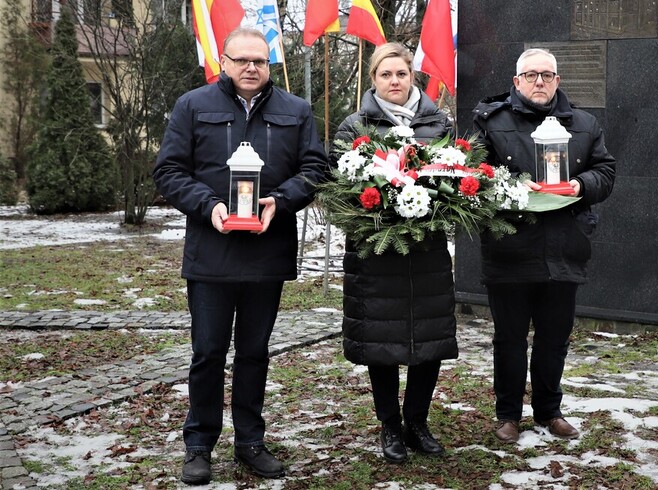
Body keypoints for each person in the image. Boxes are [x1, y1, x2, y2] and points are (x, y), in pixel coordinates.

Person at [153, 27, 327, 485]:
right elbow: (169, 170)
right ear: (224, 62)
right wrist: (207, 205)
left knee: (254, 353)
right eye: (242, 60)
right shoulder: (193, 105)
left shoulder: (296, 110)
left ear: (268, 66)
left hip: (266, 252)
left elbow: (315, 168)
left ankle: (250, 441)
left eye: (260, 61)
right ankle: (198, 444)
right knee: (208, 352)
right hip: (212, 252)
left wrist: (282, 200)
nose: (252, 68)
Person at [472, 47, 616, 444]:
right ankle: (508, 415)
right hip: (510, 247)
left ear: (558, 81)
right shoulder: (489, 122)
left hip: (564, 246)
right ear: (516, 81)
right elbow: (473, 173)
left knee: (555, 338)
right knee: (510, 339)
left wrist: (580, 185)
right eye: (531, 75)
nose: (540, 81)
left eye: (548, 75)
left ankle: (549, 411)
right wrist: (512, 187)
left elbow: (605, 170)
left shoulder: (584, 124)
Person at [333, 42, 457, 464]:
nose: (394, 82)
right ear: (373, 80)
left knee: (430, 338)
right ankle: (389, 425)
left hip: (426, 251)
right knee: (380, 341)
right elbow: (339, 188)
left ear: (412, 76)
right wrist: (378, 212)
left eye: (401, 74)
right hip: (375, 253)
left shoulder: (438, 123)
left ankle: (417, 422)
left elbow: (456, 177)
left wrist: (435, 207)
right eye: (385, 75)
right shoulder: (355, 126)